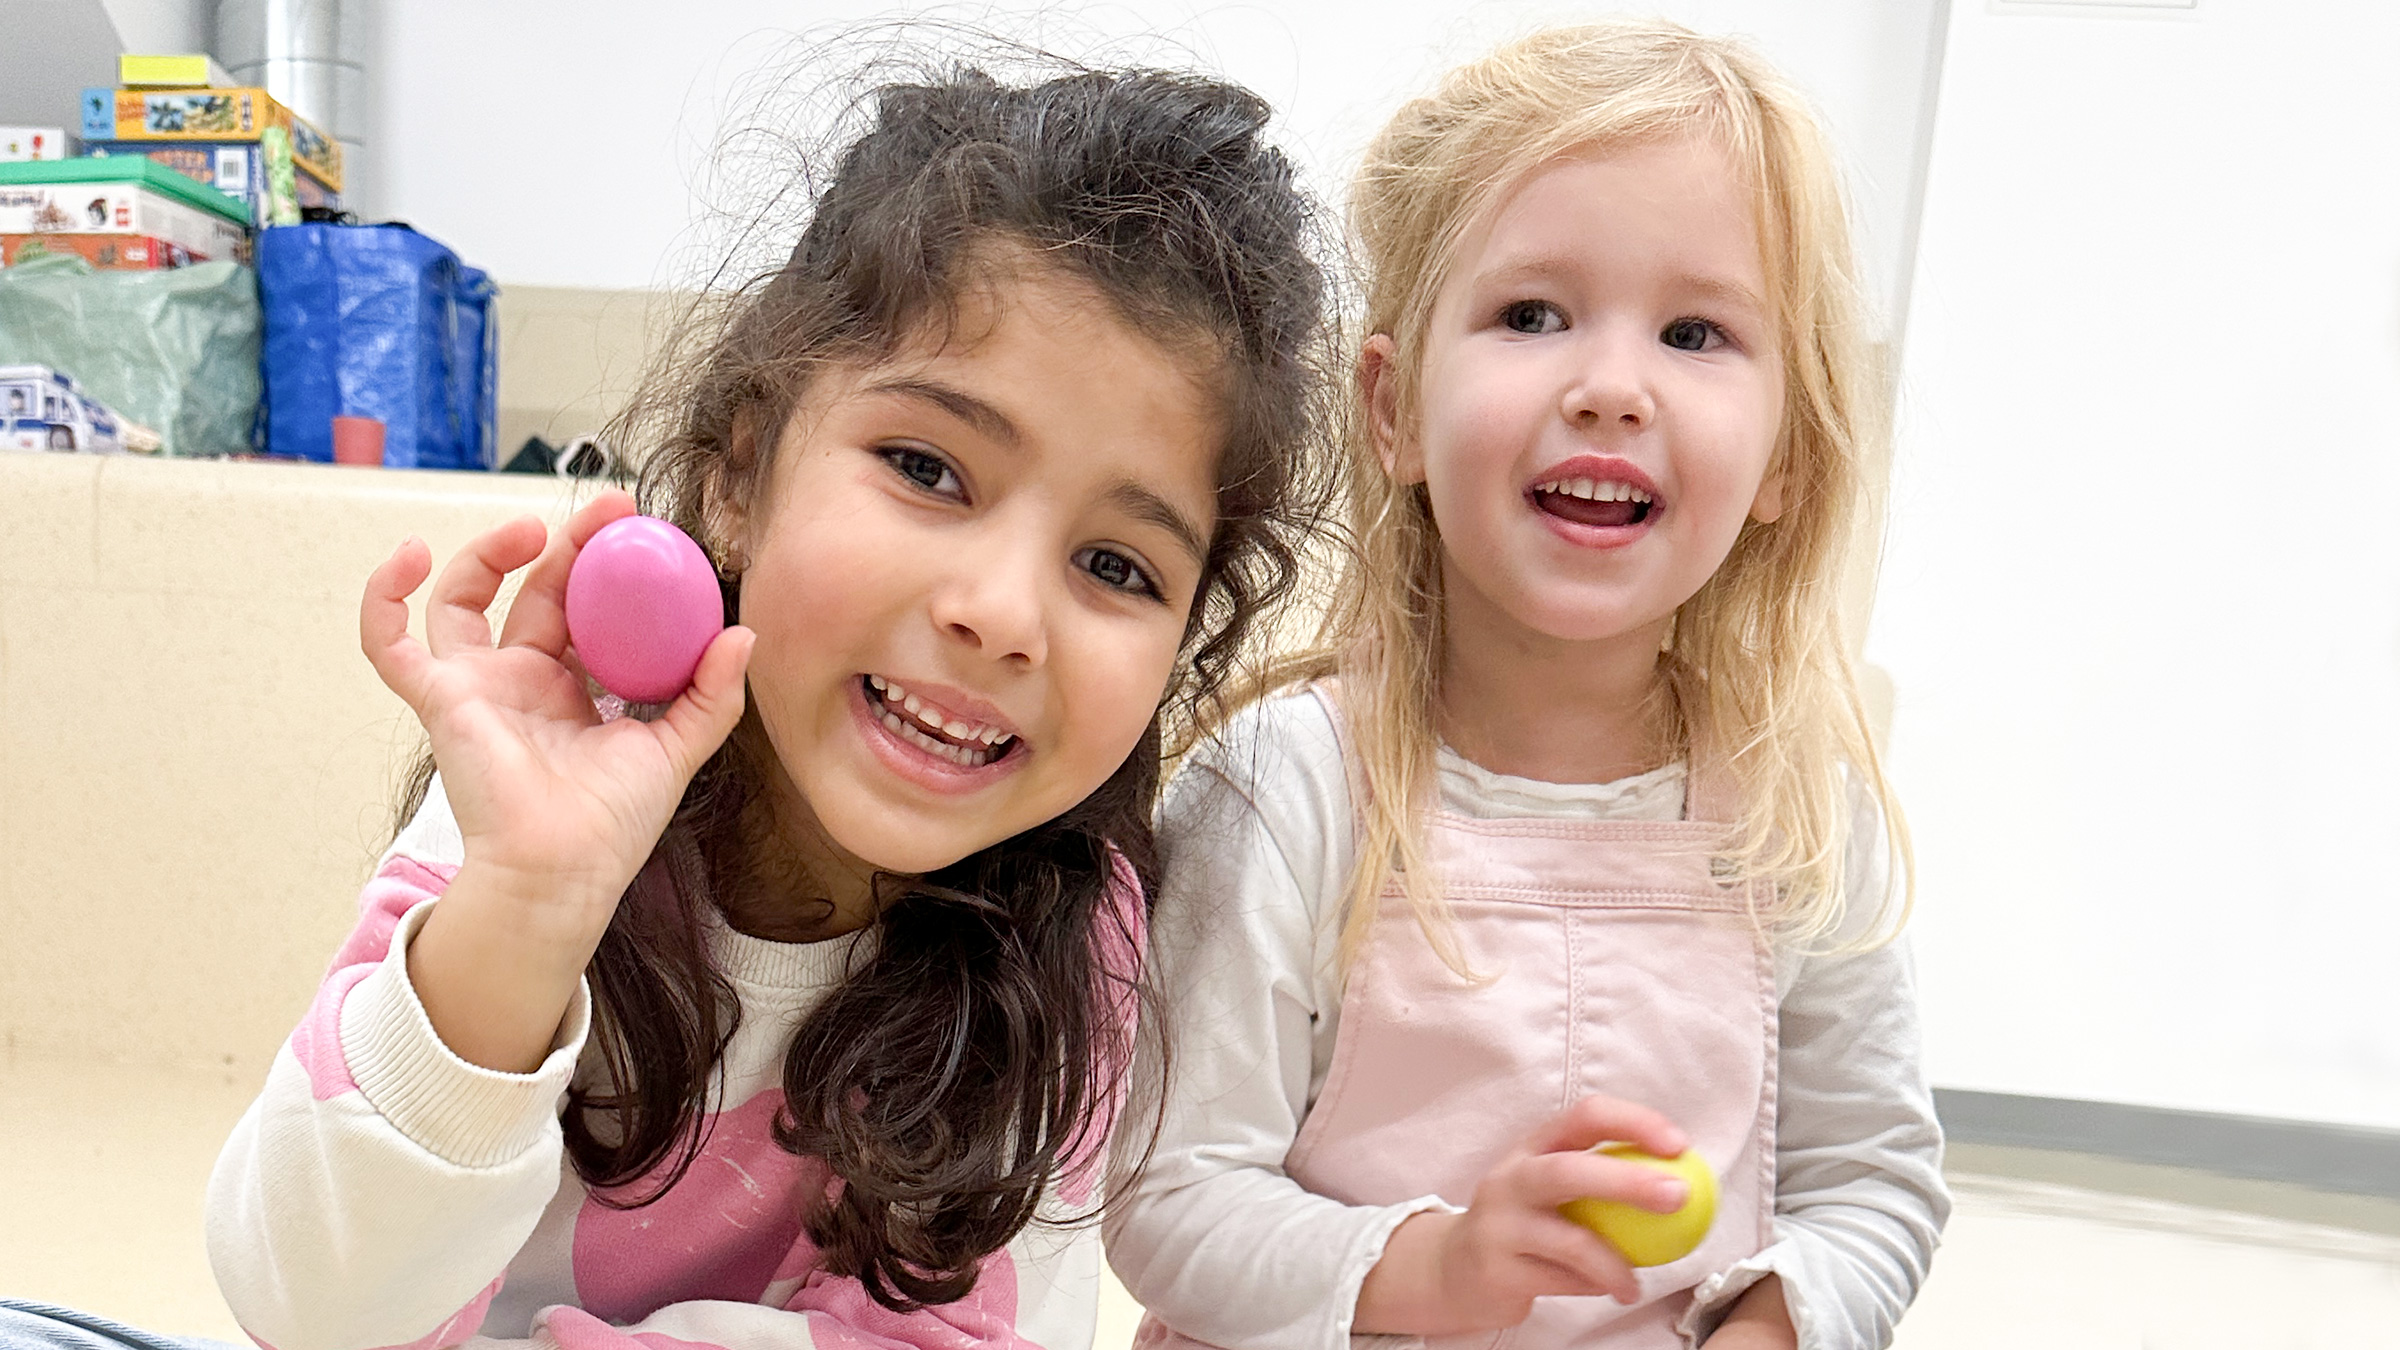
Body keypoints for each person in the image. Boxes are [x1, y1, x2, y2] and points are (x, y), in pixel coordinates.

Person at [2, 62, 1335, 1350]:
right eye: (929, 467)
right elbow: (303, 1304)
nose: (1004, 610)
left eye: (1117, 566)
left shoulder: (1071, 934)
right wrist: (524, 911)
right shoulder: (565, 776)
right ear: (737, 475)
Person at [1105, 21, 1947, 1350]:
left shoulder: (1795, 809)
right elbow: (1171, 1201)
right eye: (1533, 314)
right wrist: (1434, 1270)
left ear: (1786, 454)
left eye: (1695, 331)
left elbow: (1874, 1182)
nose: (1612, 387)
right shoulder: (1286, 784)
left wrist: (1778, 1319)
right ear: (1392, 409)